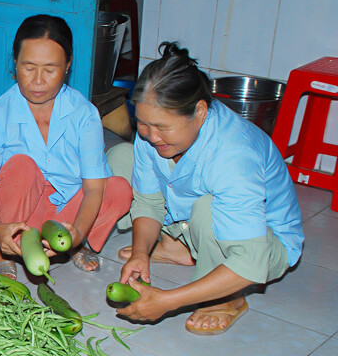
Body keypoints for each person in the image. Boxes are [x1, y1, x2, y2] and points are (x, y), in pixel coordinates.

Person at [112, 42, 304, 335]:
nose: (151, 135)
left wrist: (168, 300)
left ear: (200, 112)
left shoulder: (233, 155)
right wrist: (141, 251)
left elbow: (251, 260)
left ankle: (226, 298)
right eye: (143, 123)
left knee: (208, 209)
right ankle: (180, 247)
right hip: (188, 214)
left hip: (261, 245)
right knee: (120, 158)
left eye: (162, 126)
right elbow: (149, 202)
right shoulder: (153, 135)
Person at [0, 14, 133, 278]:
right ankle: (3, 248)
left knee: (118, 189)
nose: (38, 80)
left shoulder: (84, 113)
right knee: (22, 166)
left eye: (50, 69)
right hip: (19, 217)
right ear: (15, 63)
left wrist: (77, 231)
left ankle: (75, 241)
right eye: (28, 68)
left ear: (68, 65)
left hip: (66, 213)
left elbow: (93, 187)